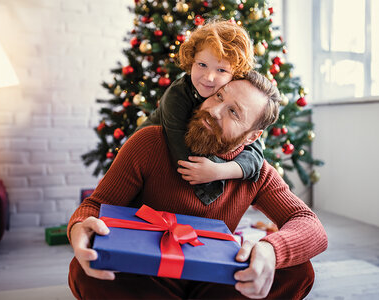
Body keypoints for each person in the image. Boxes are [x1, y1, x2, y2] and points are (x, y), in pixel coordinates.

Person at [68, 70, 328, 299]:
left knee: (297, 270)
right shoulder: (150, 142)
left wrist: (271, 250)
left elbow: (309, 224)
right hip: (145, 273)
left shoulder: (256, 173)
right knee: (85, 269)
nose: (214, 111)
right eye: (218, 96)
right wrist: (79, 227)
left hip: (215, 278)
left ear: (252, 136)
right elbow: (95, 205)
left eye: (234, 112)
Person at [136, 20, 264, 206]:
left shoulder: (233, 99)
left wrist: (221, 171)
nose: (208, 77)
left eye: (221, 70)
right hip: (145, 162)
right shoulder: (177, 95)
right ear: (192, 60)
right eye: (202, 64)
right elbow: (187, 161)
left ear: (235, 75)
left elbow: (256, 155)